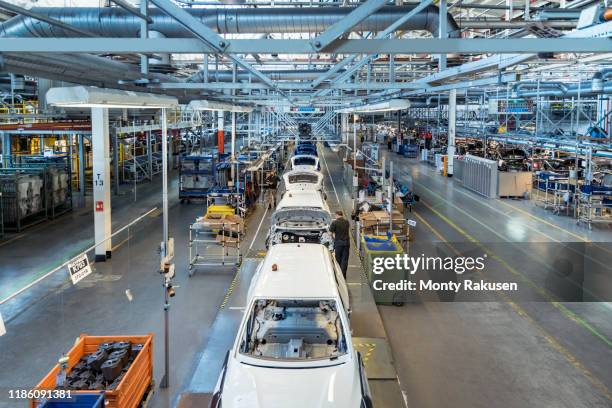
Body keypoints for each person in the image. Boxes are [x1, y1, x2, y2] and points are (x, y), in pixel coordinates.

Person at [329, 210, 350, 278]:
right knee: (345, 259)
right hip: (346, 243)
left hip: (338, 243)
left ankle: (339, 275)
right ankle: (343, 275)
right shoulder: (347, 222)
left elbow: (330, 233)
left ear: (337, 215)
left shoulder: (334, 222)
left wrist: (333, 235)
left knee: (338, 259)